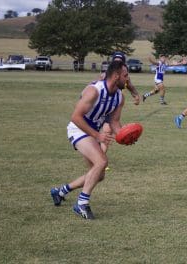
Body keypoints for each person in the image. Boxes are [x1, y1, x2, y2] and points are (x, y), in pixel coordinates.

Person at [50, 60, 128, 220]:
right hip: (77, 129)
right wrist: (97, 135)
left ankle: (60, 191)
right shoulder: (94, 91)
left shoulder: (120, 97)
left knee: (98, 174)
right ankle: (81, 203)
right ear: (116, 75)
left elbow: (114, 122)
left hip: (91, 133)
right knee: (101, 162)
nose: (127, 79)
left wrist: (124, 136)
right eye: (125, 76)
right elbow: (76, 117)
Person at [99, 51, 140, 154]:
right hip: (102, 107)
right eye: (115, 61)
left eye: (120, 61)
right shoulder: (104, 76)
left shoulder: (124, 77)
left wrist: (135, 95)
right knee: (105, 132)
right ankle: (99, 158)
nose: (117, 63)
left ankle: (100, 157)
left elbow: (130, 85)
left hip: (113, 106)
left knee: (108, 131)